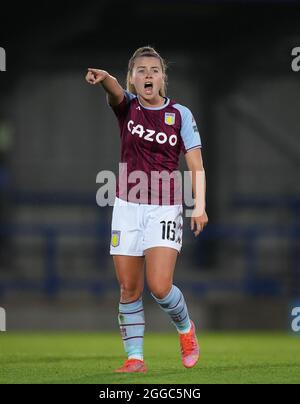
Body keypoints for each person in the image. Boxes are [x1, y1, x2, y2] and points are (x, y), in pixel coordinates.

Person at [86, 46, 208, 373]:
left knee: (159, 286)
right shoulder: (126, 107)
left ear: (162, 77)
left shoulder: (180, 114)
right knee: (128, 287)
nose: (148, 74)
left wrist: (199, 206)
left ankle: (185, 329)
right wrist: (105, 79)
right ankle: (135, 358)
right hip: (127, 206)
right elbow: (113, 92)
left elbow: (195, 164)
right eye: (141, 70)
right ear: (132, 79)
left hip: (165, 207)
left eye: (154, 69)